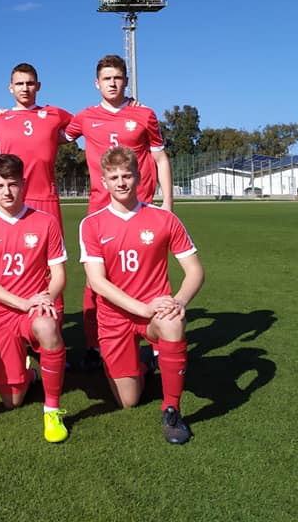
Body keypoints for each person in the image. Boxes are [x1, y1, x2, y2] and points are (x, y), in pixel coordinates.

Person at [79, 146, 204, 444]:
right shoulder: (92, 224)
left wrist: (179, 301)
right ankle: (145, 363)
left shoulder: (164, 219)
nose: (121, 182)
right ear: (103, 181)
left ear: (138, 176)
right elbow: (97, 282)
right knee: (129, 400)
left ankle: (171, 408)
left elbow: (195, 271)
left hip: (155, 314)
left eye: (127, 175)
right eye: (114, 177)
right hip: (114, 318)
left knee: (173, 322)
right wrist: (141, 307)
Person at [64, 54, 173, 371]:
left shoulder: (144, 115)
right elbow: (51, 136)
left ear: (126, 81)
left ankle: (154, 347)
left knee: (149, 273)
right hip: (100, 208)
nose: (112, 83)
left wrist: (167, 203)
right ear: (96, 83)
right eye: (106, 78)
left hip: (142, 207)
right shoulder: (84, 117)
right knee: (94, 280)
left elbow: (161, 159)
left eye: (118, 78)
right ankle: (94, 346)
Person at [0, 154, 69, 443]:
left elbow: (59, 275)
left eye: (12, 184)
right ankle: (30, 374)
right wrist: (23, 303)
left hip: (36, 307)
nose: (7, 192)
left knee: (47, 327)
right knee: (11, 400)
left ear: (23, 184)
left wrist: (46, 298)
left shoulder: (46, 222)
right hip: (1, 314)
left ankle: (52, 409)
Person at [0, 63, 73, 228]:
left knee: (50, 252)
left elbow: (83, 125)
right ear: (11, 87)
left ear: (38, 86)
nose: (24, 88)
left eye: (29, 83)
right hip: (11, 196)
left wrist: (59, 138)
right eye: (19, 84)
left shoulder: (54, 113)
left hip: (45, 196)